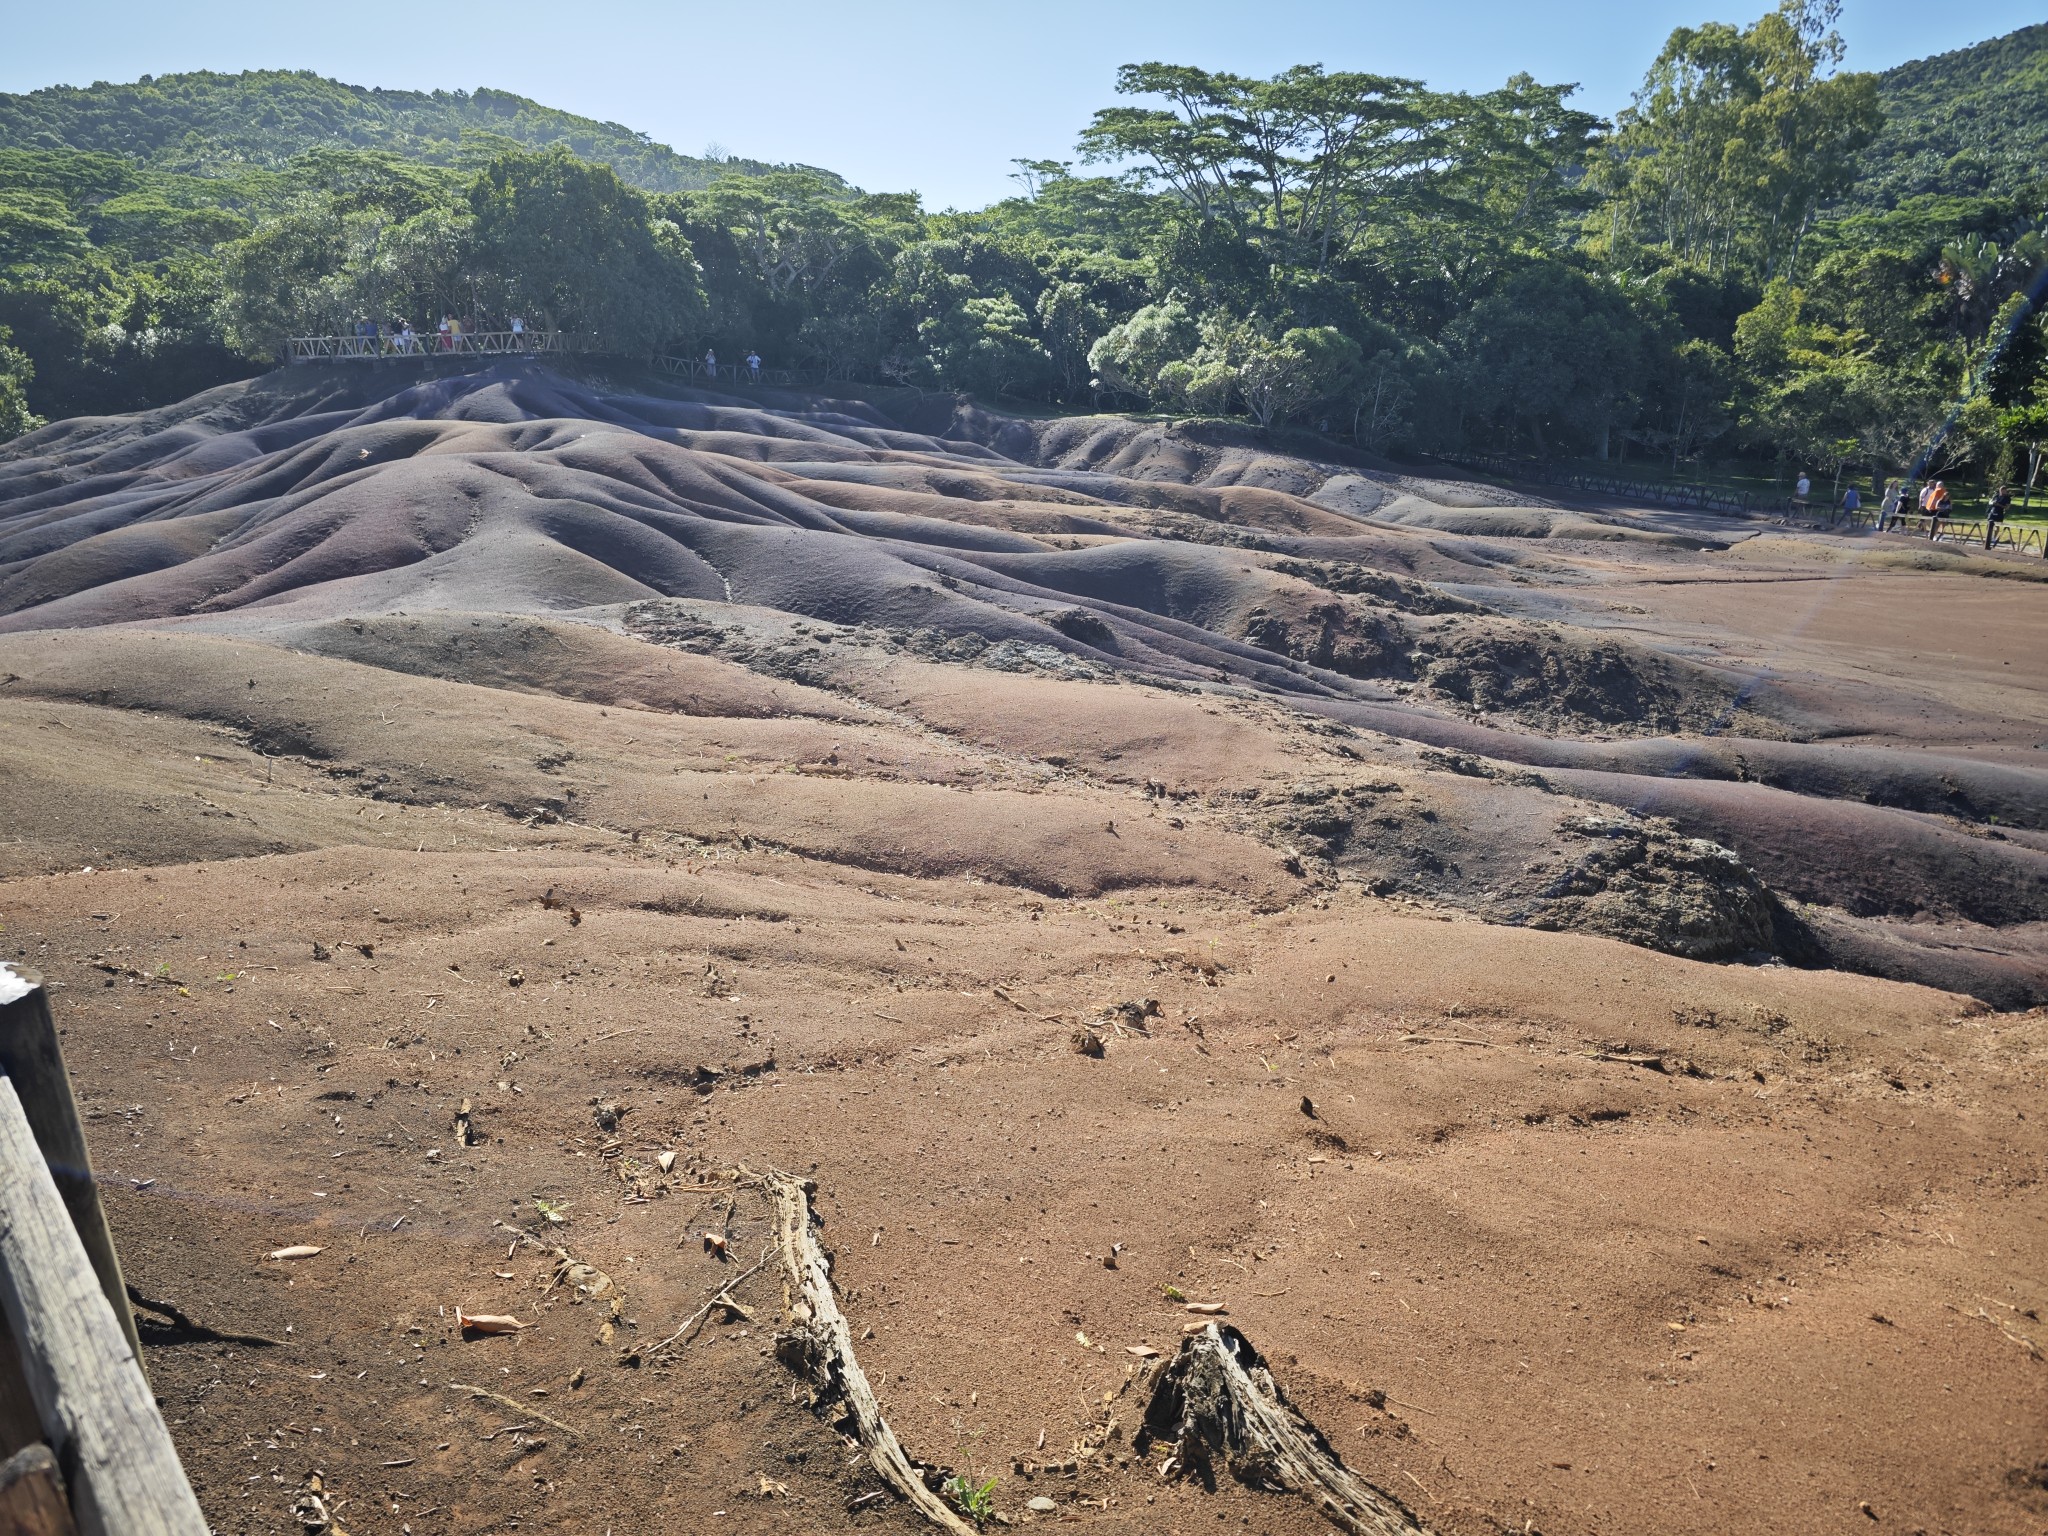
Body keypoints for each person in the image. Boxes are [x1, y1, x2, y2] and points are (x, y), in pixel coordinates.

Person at [1987, 484, 2012, 550]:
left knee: (1997, 526)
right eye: (2001, 490)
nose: (2002, 492)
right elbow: (1990, 501)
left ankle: (1994, 538)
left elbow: (2007, 508)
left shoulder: (2007, 498)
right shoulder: (1996, 495)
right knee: (1989, 524)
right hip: (1992, 511)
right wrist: (1993, 503)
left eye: (2004, 491)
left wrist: (1999, 505)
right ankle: (1988, 537)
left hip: (1999, 512)